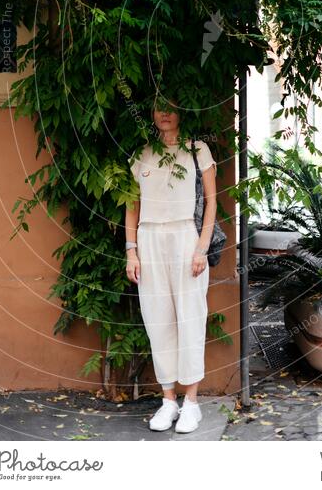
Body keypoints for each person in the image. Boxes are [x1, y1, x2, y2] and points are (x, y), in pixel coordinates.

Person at [125, 97, 218, 433]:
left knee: (190, 319)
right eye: (158, 107)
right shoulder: (142, 153)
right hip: (149, 240)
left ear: (182, 112)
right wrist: (131, 250)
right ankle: (168, 401)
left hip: (186, 237)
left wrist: (201, 247)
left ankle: (191, 403)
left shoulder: (197, 150)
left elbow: (211, 202)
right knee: (158, 320)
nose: (164, 113)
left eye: (171, 107)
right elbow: (131, 205)